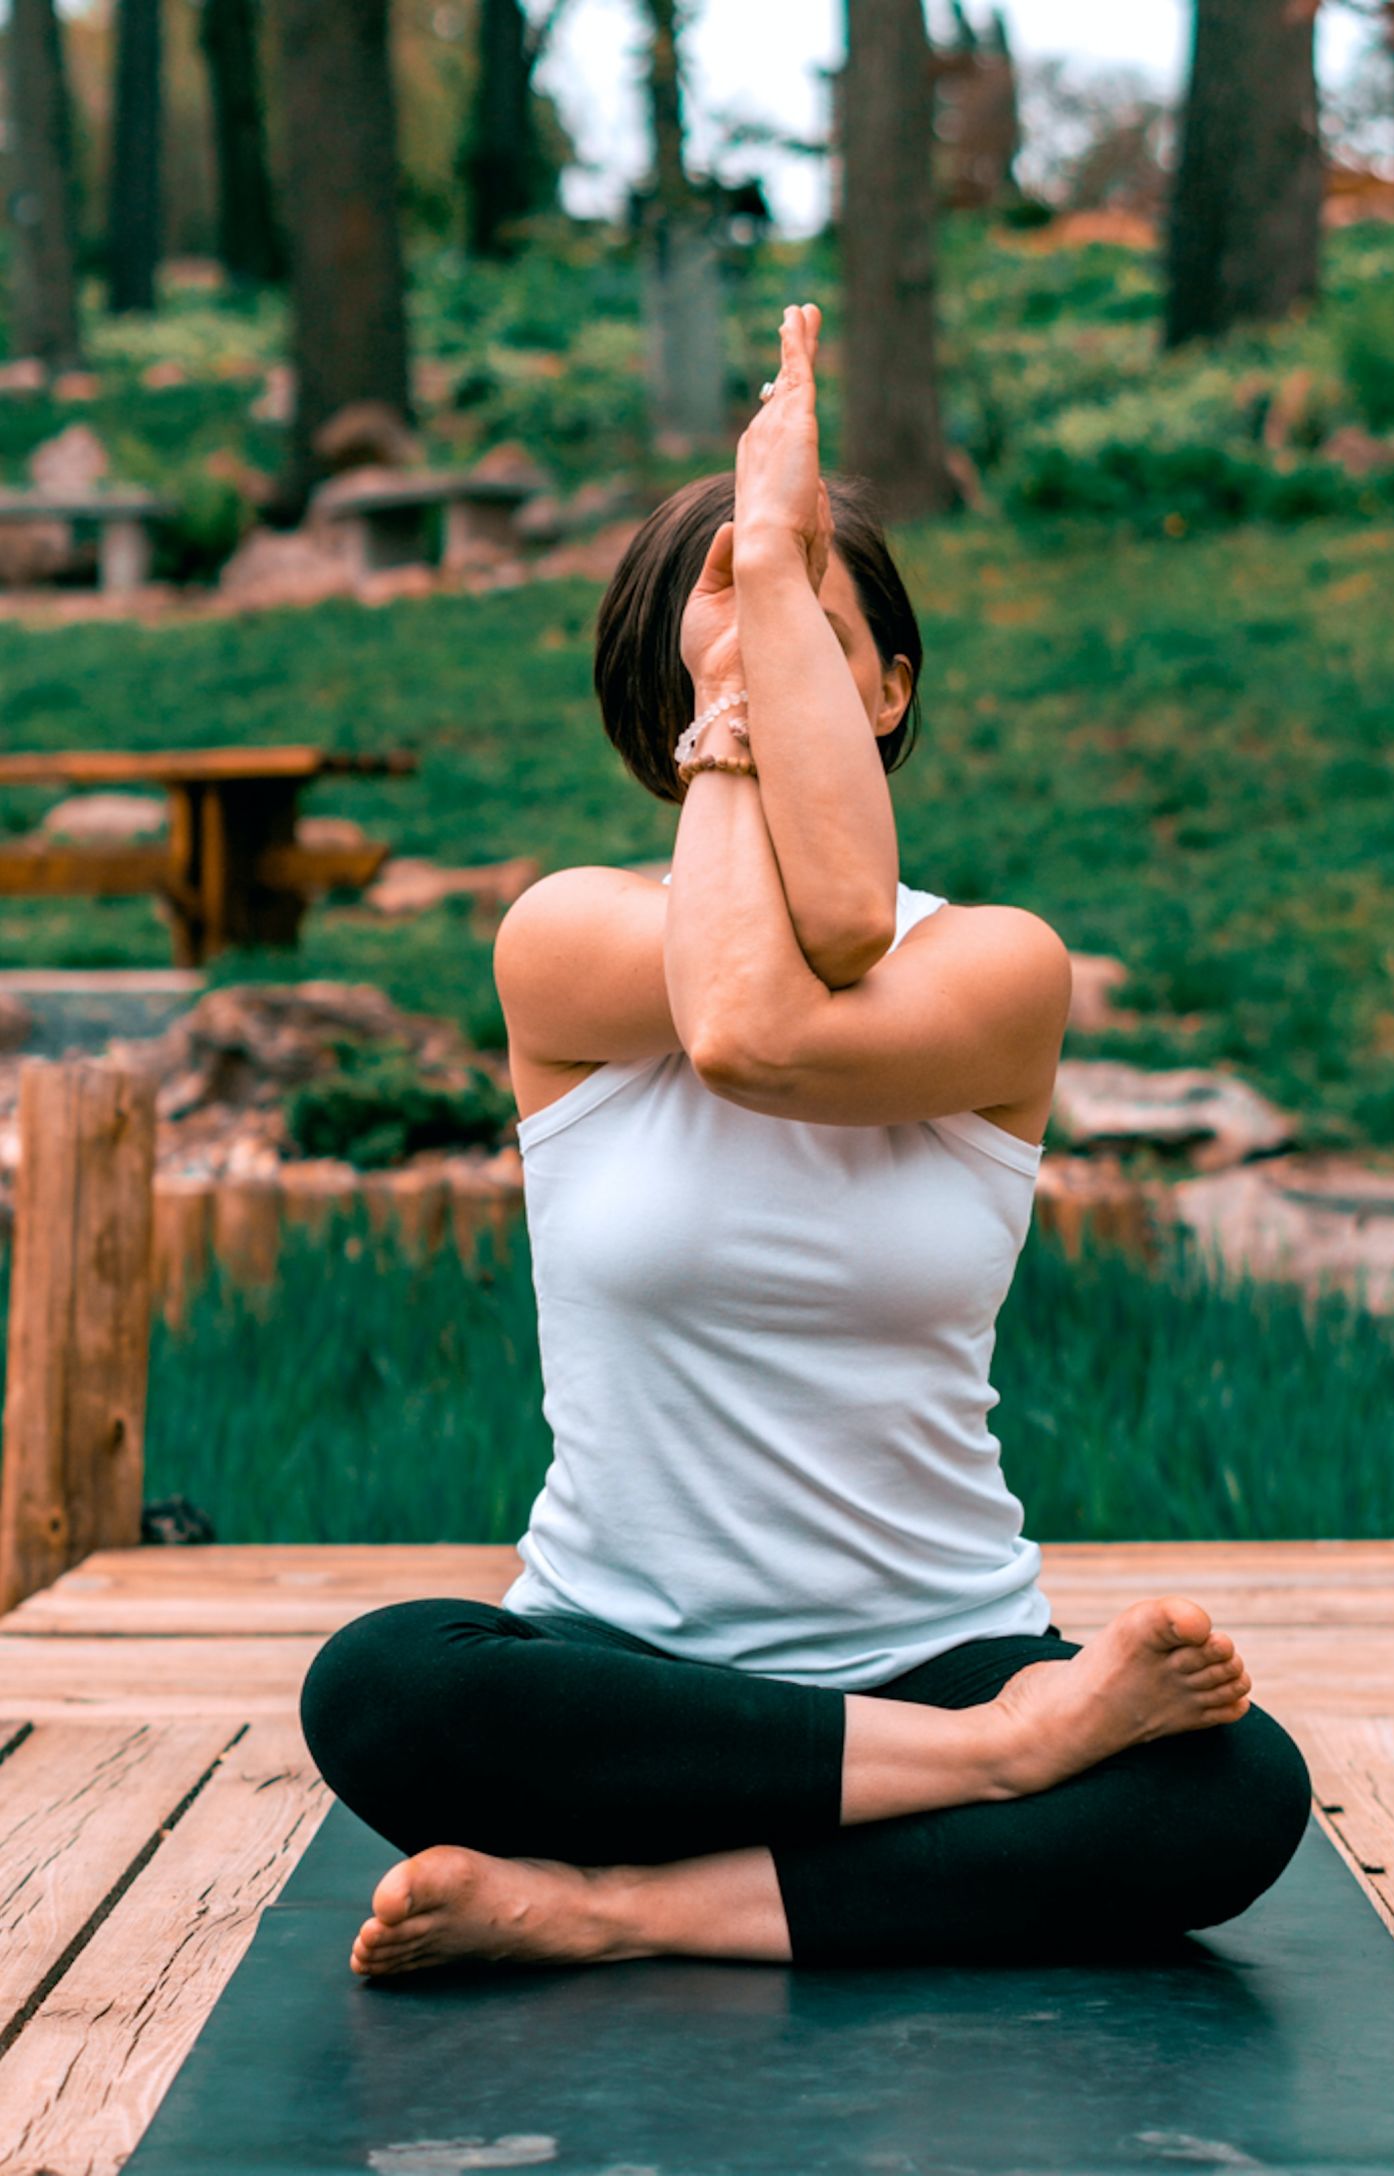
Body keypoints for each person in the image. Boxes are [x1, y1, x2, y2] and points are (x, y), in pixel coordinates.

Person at [298, 302, 1312, 1982]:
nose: (764, 670)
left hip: (939, 1648)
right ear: (667, 692)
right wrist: (760, 634)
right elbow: (743, 1020)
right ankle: (985, 1778)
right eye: (730, 642)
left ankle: (616, 1909)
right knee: (382, 1687)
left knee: (1233, 1796)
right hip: (627, 1673)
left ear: (894, 683)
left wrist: (767, 576)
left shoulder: (997, 966)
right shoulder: (564, 939)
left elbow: (824, 958)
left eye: (811, 639)